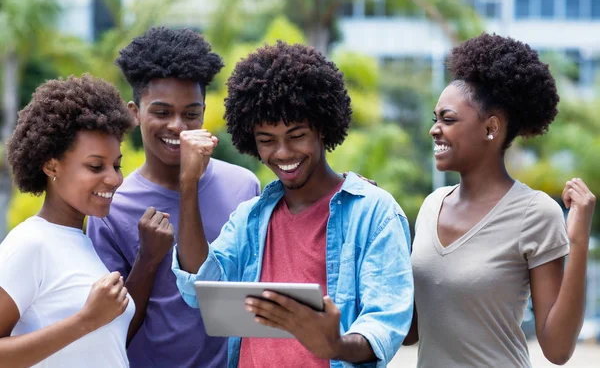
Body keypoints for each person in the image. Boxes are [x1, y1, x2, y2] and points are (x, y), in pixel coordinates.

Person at [172, 41, 414, 368]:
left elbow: (385, 322)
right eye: (267, 141)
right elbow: (198, 286)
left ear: (323, 129)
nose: (283, 153)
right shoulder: (250, 219)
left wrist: (336, 344)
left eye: (297, 135)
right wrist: (188, 185)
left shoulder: (374, 213)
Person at [406, 33, 596, 367]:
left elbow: (558, 348)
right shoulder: (430, 207)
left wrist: (577, 240)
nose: (435, 129)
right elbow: (410, 331)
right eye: (435, 119)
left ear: (491, 128)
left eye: (447, 119)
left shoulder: (535, 213)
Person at [86, 26, 260, 367]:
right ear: (135, 113)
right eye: (162, 112)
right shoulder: (110, 203)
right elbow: (108, 328)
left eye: (191, 113)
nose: (178, 126)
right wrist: (148, 259)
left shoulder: (244, 187)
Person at [0, 75, 137, 367]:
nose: (114, 178)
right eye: (95, 166)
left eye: (116, 165)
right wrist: (85, 320)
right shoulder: (29, 243)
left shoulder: (81, 242)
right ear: (52, 165)